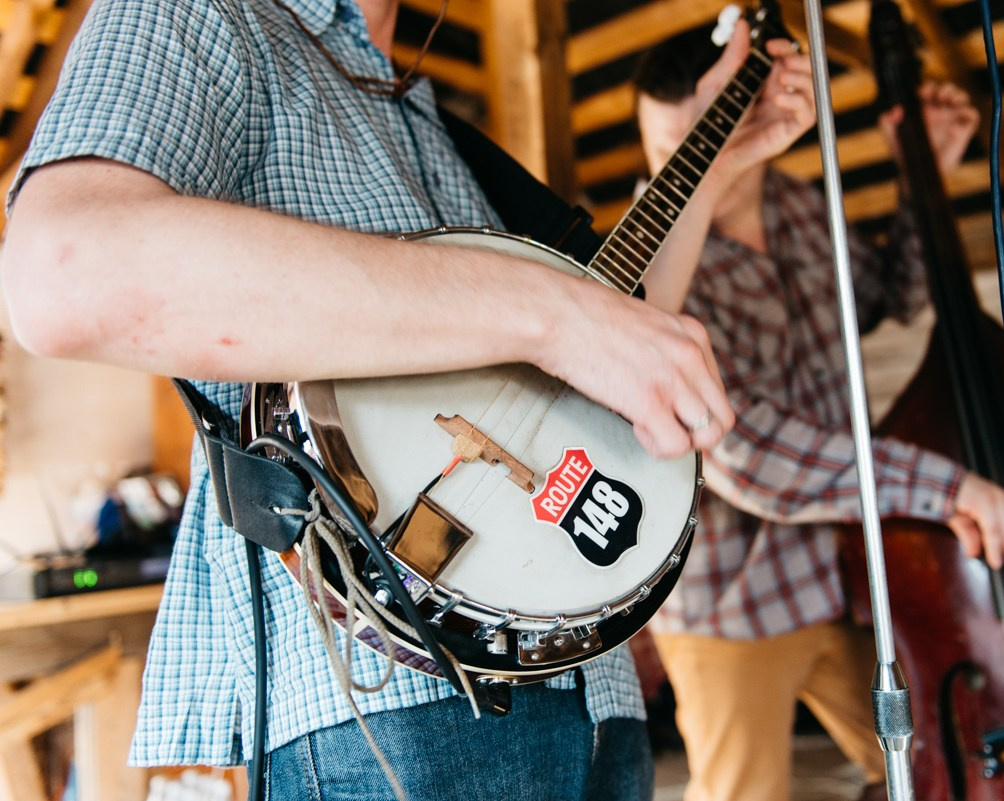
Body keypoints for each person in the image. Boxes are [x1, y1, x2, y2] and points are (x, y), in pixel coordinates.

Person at [0, 2, 813, 800]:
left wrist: (716, 163)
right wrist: (552, 314)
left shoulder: (426, 112)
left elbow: (599, 345)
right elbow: (65, 270)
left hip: (595, 688)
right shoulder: (210, 16)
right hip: (391, 696)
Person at [631, 23, 1004, 801]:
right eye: (664, 152)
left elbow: (891, 295)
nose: (681, 172)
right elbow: (747, 455)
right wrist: (945, 487)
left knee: (927, 771)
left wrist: (924, 177)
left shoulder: (799, 204)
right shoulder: (655, 263)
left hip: (845, 575)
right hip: (729, 601)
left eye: (695, 145)